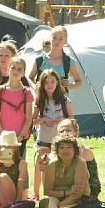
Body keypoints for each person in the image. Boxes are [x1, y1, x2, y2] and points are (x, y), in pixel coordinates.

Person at [32, 69, 72, 199]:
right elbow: (32, 121)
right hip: (43, 138)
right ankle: (36, 193)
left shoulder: (64, 100)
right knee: (39, 166)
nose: (50, 85)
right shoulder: (40, 100)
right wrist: (43, 119)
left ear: (57, 83)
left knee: (56, 167)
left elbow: (72, 120)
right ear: (42, 85)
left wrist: (63, 121)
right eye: (46, 82)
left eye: (52, 81)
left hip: (59, 140)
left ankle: (53, 192)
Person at [39, 135, 90, 208]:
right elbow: (47, 191)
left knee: (65, 207)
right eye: (62, 147)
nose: (65, 151)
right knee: (48, 201)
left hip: (77, 199)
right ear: (57, 150)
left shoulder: (80, 163)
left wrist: (61, 205)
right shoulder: (52, 164)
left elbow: (78, 193)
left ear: (75, 150)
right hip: (57, 196)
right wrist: (66, 193)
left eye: (69, 147)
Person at [0, 56, 33, 157]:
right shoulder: (0, 91)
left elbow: (28, 119)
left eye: (19, 69)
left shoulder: (27, 93)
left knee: (17, 167)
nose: (15, 71)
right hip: (2, 137)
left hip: (20, 137)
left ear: (23, 73)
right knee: (0, 164)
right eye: (13, 68)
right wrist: (3, 134)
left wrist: (20, 137)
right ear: (8, 69)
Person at [30, 26, 83, 91]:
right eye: (54, 38)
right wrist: (35, 87)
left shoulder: (68, 61)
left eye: (61, 39)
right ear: (50, 39)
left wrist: (69, 85)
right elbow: (30, 79)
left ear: (65, 41)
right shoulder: (40, 60)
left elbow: (79, 82)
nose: (57, 41)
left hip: (60, 100)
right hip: (42, 99)